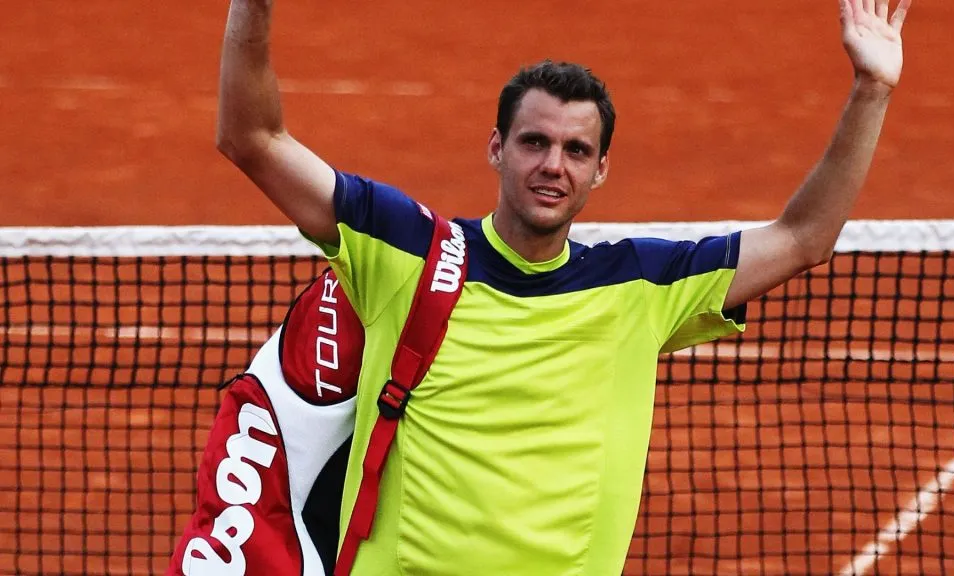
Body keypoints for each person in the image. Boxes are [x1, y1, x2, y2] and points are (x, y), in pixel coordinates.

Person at [214, 0, 912, 573]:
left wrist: (870, 89)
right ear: (496, 148)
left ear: (601, 169)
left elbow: (803, 238)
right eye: (534, 142)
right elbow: (253, 139)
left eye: (576, 151)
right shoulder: (407, 250)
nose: (554, 165)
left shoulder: (642, 285)